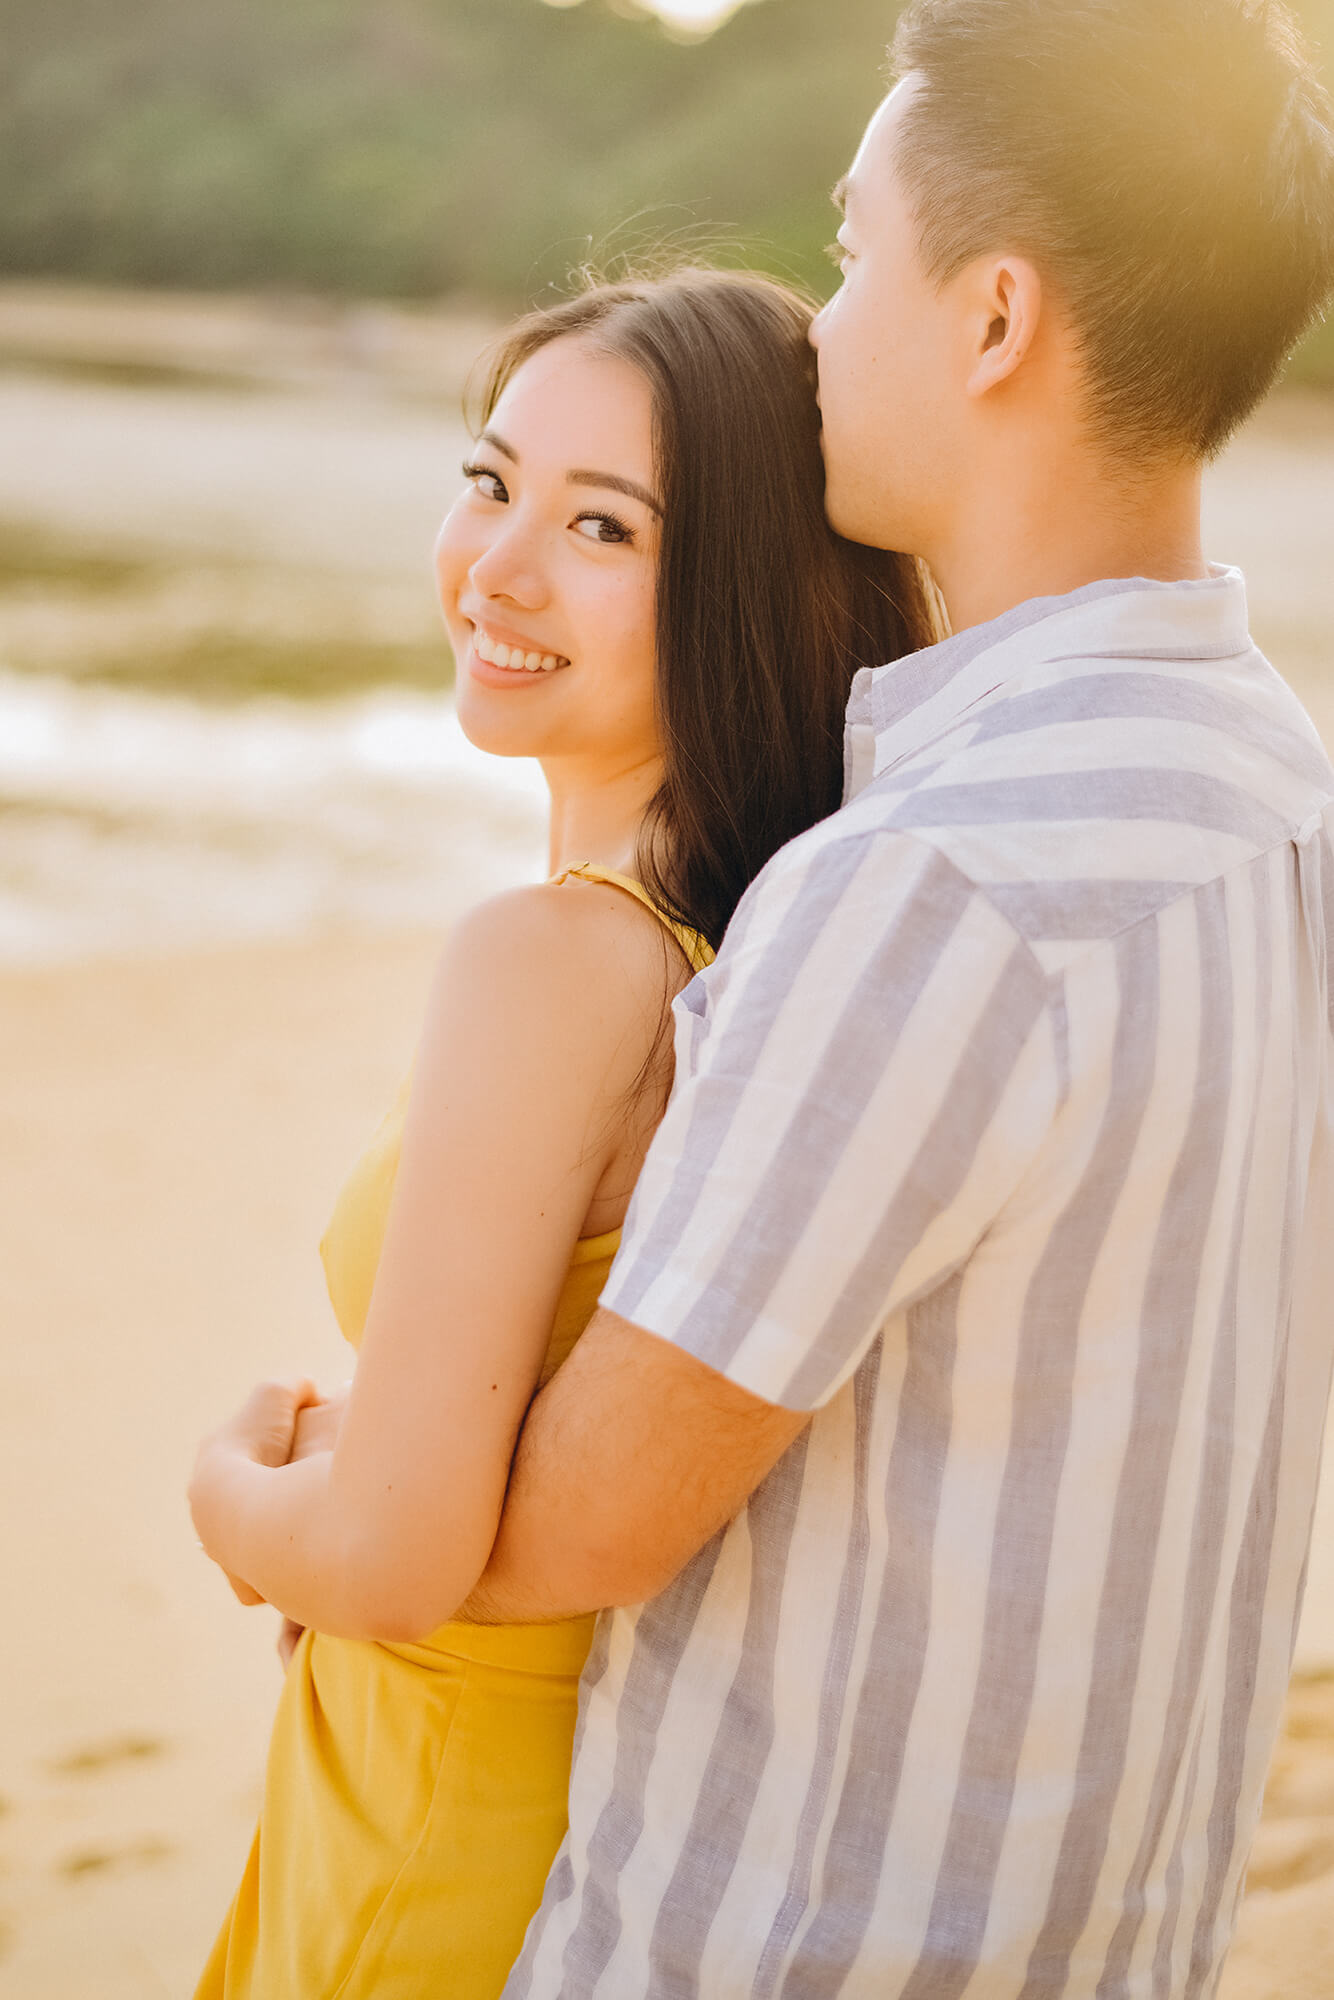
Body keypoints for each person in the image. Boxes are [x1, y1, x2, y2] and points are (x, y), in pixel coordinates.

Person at [369, 3, 1331, 1996]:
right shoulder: (1283, 798)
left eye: (845, 253)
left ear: (990, 318)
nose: (815, 327)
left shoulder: (932, 880)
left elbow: (565, 1527)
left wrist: (290, 1465)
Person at [186, 268, 930, 1998]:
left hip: (437, 1805)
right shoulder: (734, 947)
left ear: (740, 585)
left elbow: (388, 1554)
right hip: (531, 1777)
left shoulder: (555, 963)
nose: (497, 569)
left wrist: (230, 1492)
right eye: (490, 480)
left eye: (601, 527)